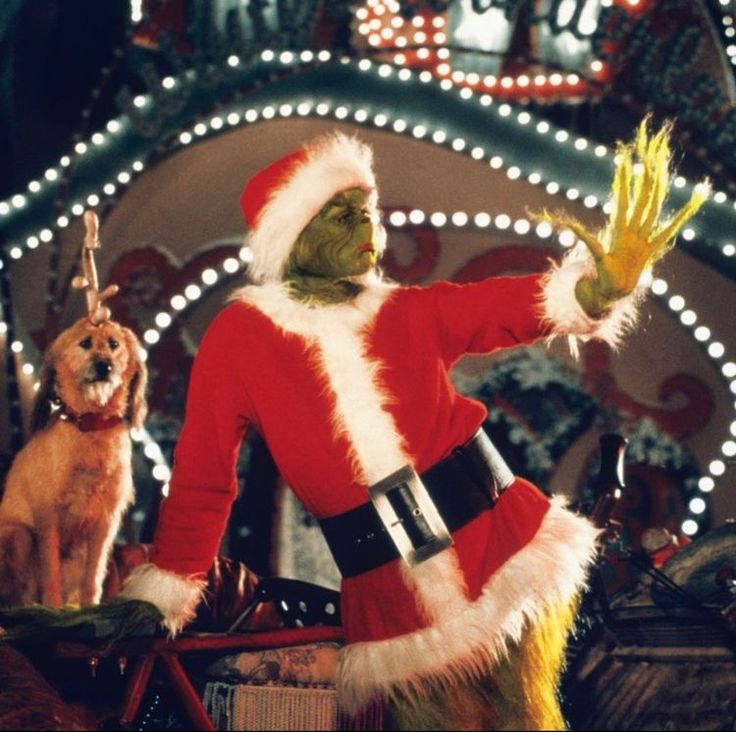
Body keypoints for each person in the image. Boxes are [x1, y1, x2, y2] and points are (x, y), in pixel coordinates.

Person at [118, 122, 707, 728]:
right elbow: (204, 481)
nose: (369, 226)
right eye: (343, 215)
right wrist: (161, 595)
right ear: (294, 235)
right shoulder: (240, 338)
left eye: (368, 209)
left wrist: (588, 290)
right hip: (390, 597)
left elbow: (494, 307)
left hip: (501, 547)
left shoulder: (405, 311)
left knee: (523, 720)